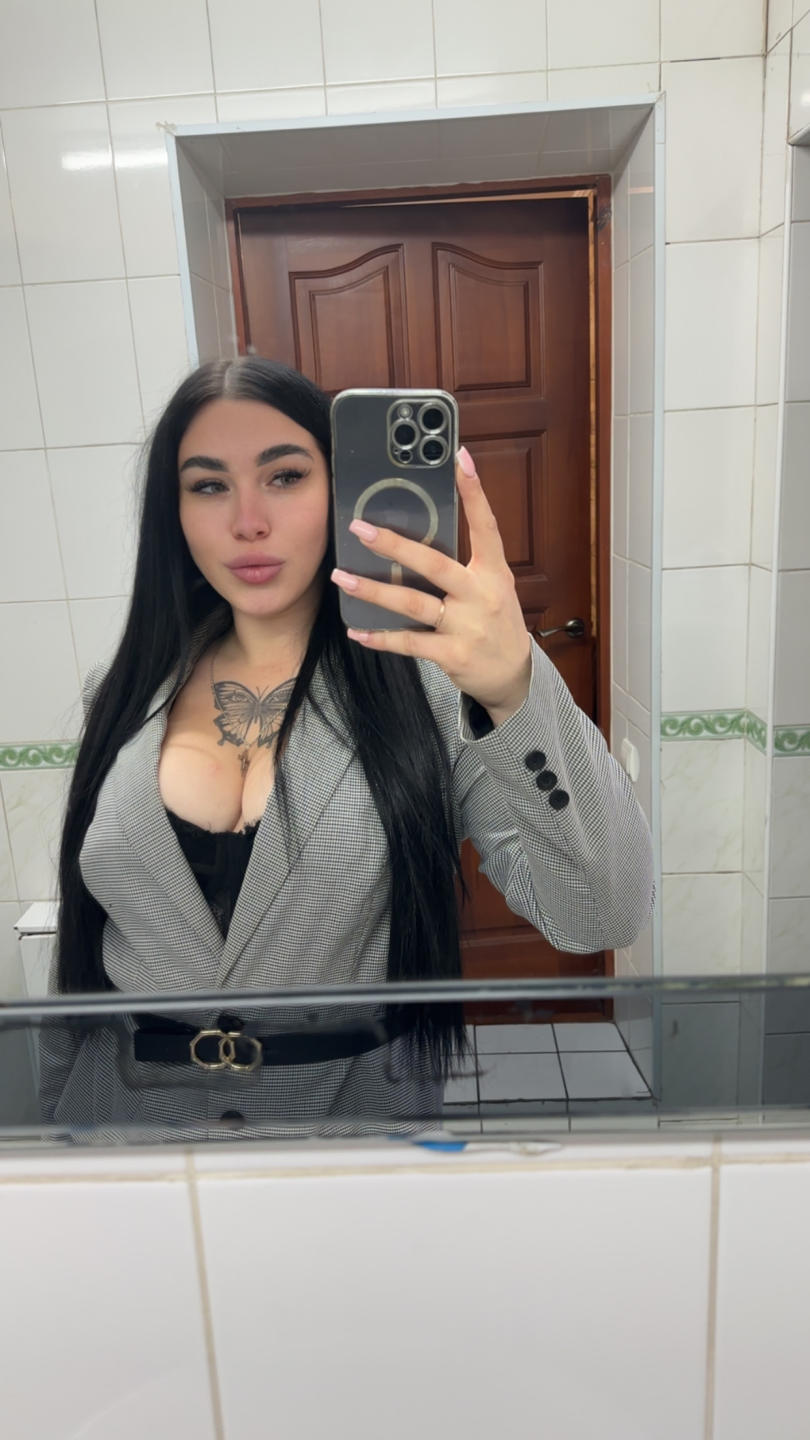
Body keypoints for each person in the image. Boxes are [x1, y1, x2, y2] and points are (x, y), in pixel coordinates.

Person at [41, 356, 653, 1139]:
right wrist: (48, 1133)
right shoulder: (123, 693)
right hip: (122, 1133)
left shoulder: (431, 694)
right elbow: (79, 954)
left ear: (340, 487)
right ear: (175, 510)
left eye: (285, 476)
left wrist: (515, 691)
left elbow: (602, 912)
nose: (247, 521)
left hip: (348, 1139)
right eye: (209, 485)